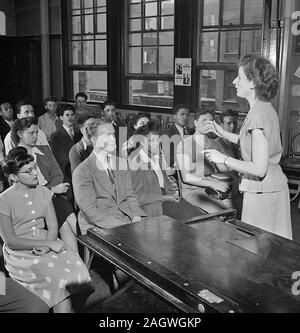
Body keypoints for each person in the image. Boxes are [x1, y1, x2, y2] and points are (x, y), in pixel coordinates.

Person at [204, 55, 292, 240]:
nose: (235, 81)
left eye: (240, 77)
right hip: (272, 188)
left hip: (262, 191)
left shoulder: (257, 115)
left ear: (253, 82)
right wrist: (223, 133)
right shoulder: (264, 108)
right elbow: (255, 144)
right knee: (273, 250)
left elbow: (259, 168)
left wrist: (224, 158)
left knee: (257, 251)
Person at [0, 148, 92, 312]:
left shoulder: (43, 191)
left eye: (35, 167)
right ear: (14, 177)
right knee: (59, 281)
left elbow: (53, 225)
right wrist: (47, 243)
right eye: (29, 171)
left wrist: (48, 243)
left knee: (80, 271)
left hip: (47, 241)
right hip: (21, 252)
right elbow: (10, 241)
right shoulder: (3, 200)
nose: (36, 173)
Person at [12, 118, 79, 252]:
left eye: (37, 132)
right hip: (33, 200)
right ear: (19, 134)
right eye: (31, 133)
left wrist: (52, 191)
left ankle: (77, 262)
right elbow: (23, 188)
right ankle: (93, 245)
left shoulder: (44, 150)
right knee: (69, 221)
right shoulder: (15, 158)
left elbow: (57, 174)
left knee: (66, 223)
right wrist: (51, 190)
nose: (36, 136)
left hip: (53, 197)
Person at [73, 122, 146, 235]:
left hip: (126, 218)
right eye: (107, 135)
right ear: (94, 140)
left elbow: (130, 195)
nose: (113, 138)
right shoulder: (82, 171)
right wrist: (124, 226)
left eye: (113, 134)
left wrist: (136, 216)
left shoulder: (120, 163)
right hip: (100, 225)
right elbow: (91, 212)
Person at [128, 121, 205, 220]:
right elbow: (138, 197)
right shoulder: (136, 163)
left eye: (157, 139)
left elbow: (165, 182)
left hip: (167, 198)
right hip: (153, 205)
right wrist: (164, 197)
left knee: (199, 215)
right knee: (194, 218)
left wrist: (171, 194)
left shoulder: (157, 157)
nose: (157, 143)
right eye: (151, 141)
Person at [177, 110, 241, 214]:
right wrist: (213, 183)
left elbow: (223, 171)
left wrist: (235, 180)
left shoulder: (215, 144)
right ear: (195, 123)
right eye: (204, 120)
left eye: (211, 121)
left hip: (215, 189)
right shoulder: (185, 145)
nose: (208, 123)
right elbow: (187, 177)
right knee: (223, 212)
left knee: (239, 206)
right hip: (195, 191)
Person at [50, 104, 82, 183]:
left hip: (81, 171)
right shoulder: (55, 136)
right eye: (67, 115)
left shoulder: (80, 133)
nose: (70, 118)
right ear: (61, 117)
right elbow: (60, 158)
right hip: (66, 173)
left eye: (72, 115)